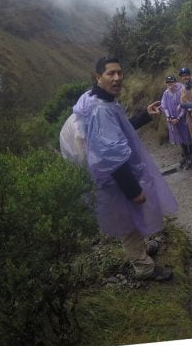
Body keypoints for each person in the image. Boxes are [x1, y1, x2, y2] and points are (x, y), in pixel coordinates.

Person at [72, 56, 178, 281]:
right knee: (128, 220)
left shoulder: (102, 100)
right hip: (115, 178)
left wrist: (144, 116)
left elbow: (120, 130)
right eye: (111, 73)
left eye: (120, 72)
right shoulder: (100, 109)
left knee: (131, 215)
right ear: (98, 77)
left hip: (115, 175)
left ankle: (140, 250)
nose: (117, 77)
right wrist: (133, 190)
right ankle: (144, 267)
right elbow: (111, 156)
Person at [160, 74, 192, 169]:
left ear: (175, 82)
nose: (170, 84)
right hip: (173, 120)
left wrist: (179, 118)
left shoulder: (181, 90)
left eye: (171, 82)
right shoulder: (166, 93)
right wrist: (168, 116)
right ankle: (186, 155)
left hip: (183, 118)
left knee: (187, 136)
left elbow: (184, 104)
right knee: (179, 137)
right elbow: (164, 105)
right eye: (168, 82)